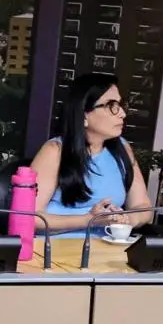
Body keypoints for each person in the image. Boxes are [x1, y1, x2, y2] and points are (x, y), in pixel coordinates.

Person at [29, 73, 152, 238]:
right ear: (84, 115)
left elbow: (143, 206)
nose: (122, 113)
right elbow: (29, 218)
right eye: (112, 106)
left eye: (121, 105)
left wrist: (127, 219)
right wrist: (89, 220)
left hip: (106, 250)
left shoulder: (122, 149)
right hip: (56, 251)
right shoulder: (55, 151)